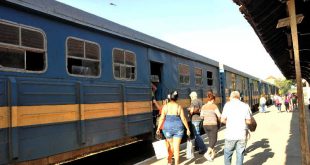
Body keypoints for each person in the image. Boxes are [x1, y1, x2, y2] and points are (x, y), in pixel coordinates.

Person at [156, 91, 191, 165]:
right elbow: (183, 118)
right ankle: (176, 163)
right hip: (178, 127)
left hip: (168, 127)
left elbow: (162, 118)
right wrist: (187, 128)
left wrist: (158, 128)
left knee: (171, 146)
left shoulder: (165, 106)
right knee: (176, 147)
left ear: (169, 98)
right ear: (176, 98)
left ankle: (169, 160)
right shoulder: (178, 106)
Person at [221, 91, 252, 165]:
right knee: (240, 154)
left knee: (228, 154)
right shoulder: (245, 106)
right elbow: (249, 121)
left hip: (230, 135)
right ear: (239, 97)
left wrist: (229, 123)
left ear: (231, 97)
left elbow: (222, 120)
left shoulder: (227, 105)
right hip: (241, 134)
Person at [200, 94, 221, 161]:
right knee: (214, 140)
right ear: (212, 100)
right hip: (213, 125)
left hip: (205, 125)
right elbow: (219, 115)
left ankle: (212, 154)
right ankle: (207, 153)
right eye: (214, 100)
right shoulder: (214, 106)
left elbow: (201, 117)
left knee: (210, 139)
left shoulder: (203, 106)